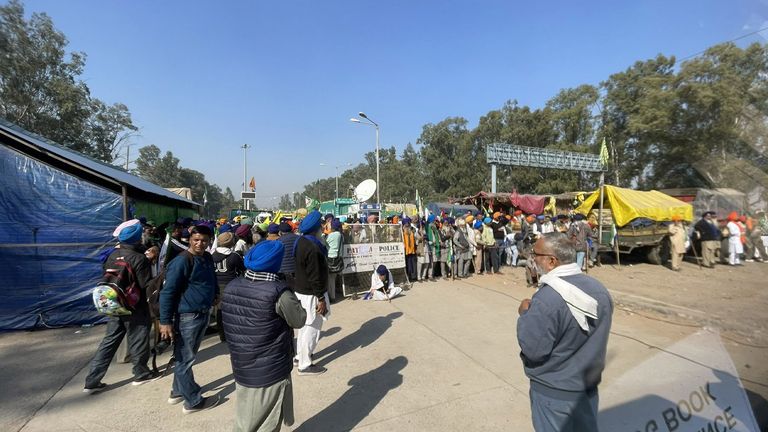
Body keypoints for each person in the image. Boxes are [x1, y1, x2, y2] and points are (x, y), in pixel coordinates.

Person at [517, 233, 613, 431]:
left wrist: (525, 314)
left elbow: (534, 350)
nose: (532, 259)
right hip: (587, 390)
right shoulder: (599, 289)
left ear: (551, 261)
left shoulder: (546, 299)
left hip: (554, 394)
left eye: (536, 254)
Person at [222, 240, 307, 432]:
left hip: (242, 363)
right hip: (269, 367)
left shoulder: (233, 285)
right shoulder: (277, 291)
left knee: (246, 415)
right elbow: (299, 319)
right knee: (266, 420)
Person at [83, 223, 158, 394]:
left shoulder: (112, 255)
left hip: (114, 304)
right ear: (138, 237)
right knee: (138, 340)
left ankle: (92, 380)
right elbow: (145, 285)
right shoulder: (139, 259)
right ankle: (141, 373)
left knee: (108, 342)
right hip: (134, 307)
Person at [159, 224, 221, 413]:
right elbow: (168, 292)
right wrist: (165, 321)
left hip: (202, 314)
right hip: (188, 317)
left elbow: (211, 278)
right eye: (196, 240)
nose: (199, 244)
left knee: (186, 357)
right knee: (184, 360)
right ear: (190, 239)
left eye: (203, 240)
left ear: (209, 241)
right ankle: (193, 402)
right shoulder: (182, 261)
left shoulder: (207, 257)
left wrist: (215, 294)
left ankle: (177, 391)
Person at [293, 210, 330, 376]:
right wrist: (321, 298)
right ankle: (305, 364)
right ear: (317, 228)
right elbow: (315, 276)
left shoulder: (300, 241)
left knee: (304, 327)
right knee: (313, 327)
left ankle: (299, 356)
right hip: (312, 293)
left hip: (302, 290)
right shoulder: (314, 247)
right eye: (321, 225)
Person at [212, 232, 245, 341]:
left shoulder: (212, 255)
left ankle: (222, 334)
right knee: (232, 310)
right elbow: (242, 269)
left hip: (216, 285)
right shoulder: (234, 256)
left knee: (220, 310)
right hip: (231, 285)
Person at [325, 218, 344, 302]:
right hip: (338, 258)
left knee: (330, 279)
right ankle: (333, 294)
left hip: (330, 258)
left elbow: (324, 242)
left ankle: (332, 297)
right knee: (334, 277)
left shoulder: (332, 235)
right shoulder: (341, 235)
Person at [402, 217, 418, 282]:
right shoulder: (401, 231)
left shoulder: (412, 230)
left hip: (412, 250)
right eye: (405, 224)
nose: (407, 225)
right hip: (405, 251)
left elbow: (415, 238)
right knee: (407, 265)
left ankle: (413, 277)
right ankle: (408, 277)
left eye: (408, 224)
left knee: (413, 264)